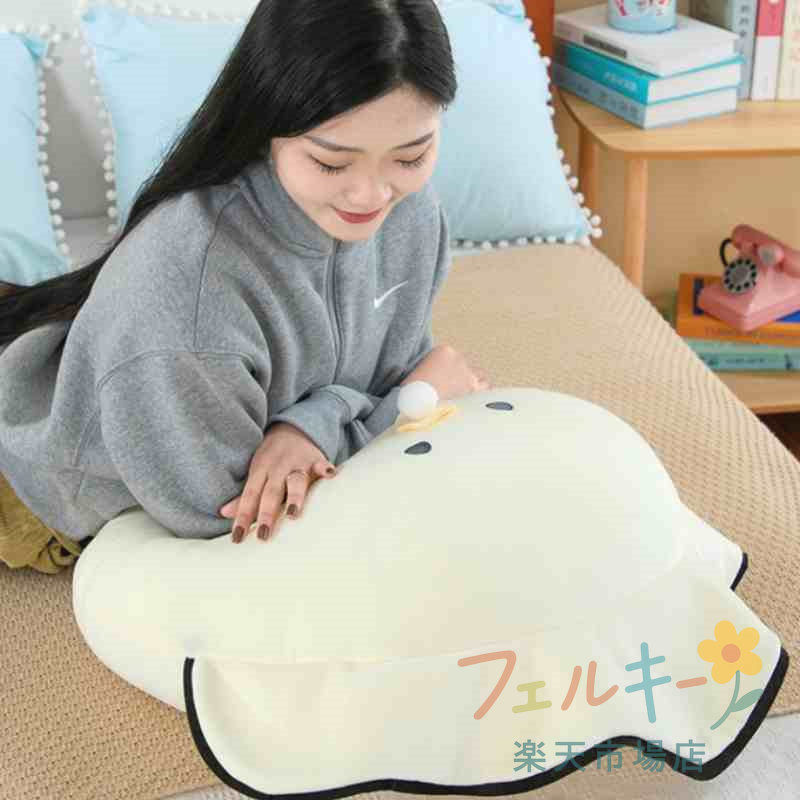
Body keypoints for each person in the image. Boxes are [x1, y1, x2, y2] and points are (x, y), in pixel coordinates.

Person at [0, 0, 491, 574]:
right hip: (32, 492)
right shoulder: (190, 294)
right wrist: (414, 402)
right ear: (267, 125)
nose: (372, 195)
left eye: (411, 156)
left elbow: (389, 376)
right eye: (331, 164)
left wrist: (314, 425)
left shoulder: (412, 215)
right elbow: (231, 518)